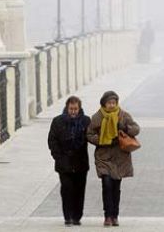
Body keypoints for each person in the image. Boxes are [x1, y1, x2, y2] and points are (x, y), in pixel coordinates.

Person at [87, 91, 140, 227]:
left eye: (113, 102)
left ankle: (115, 215)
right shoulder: (97, 117)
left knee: (116, 187)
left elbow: (136, 129)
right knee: (107, 185)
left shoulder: (123, 115)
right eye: (109, 102)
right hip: (103, 157)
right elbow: (89, 134)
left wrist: (125, 127)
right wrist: (102, 140)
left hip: (120, 158)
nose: (111, 105)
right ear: (104, 103)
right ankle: (107, 216)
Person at [47, 96, 91, 226]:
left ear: (79, 108)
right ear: (67, 108)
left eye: (75, 109)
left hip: (81, 162)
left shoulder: (85, 121)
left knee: (79, 190)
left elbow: (93, 136)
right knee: (66, 189)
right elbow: (52, 140)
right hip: (64, 163)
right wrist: (58, 157)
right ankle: (68, 216)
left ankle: (77, 216)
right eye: (71, 109)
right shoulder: (58, 121)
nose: (73, 111)